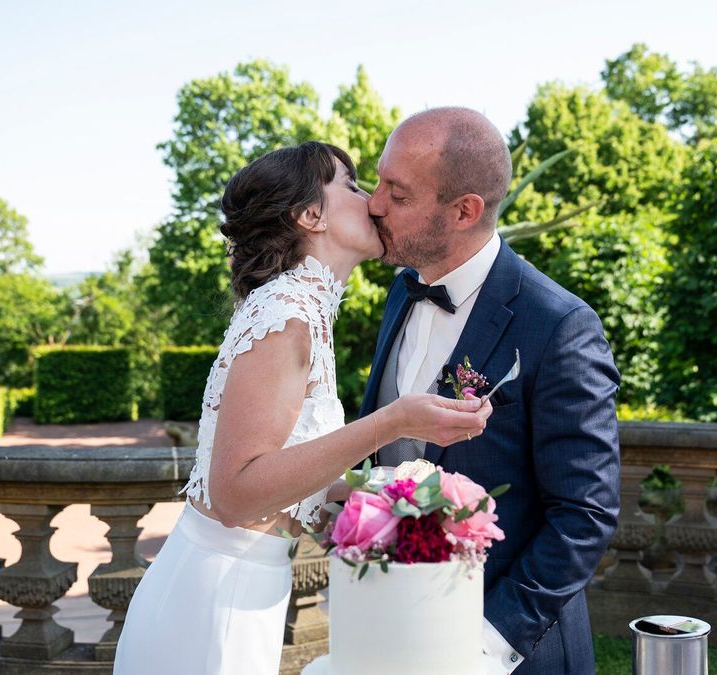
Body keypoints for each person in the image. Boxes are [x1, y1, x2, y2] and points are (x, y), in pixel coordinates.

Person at [113, 141, 492, 675]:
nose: (374, 203)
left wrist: (391, 498)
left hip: (244, 586)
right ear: (311, 215)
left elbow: (275, 468)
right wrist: (393, 422)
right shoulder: (287, 314)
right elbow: (235, 492)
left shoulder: (299, 308)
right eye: (353, 186)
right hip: (216, 603)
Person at [361, 108, 621, 674]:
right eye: (377, 181)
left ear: (464, 210)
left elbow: (585, 514)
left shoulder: (559, 325)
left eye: (397, 194)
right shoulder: (403, 292)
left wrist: (483, 644)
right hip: (392, 627)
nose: (374, 203)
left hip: (510, 651)